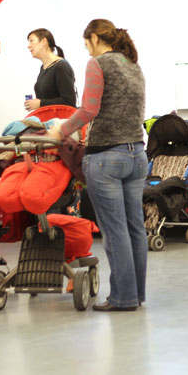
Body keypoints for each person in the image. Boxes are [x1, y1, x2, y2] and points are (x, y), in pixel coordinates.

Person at [48, 19, 147, 312]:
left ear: (94, 38)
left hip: (106, 158)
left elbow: (89, 109)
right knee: (135, 229)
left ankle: (123, 298)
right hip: (136, 155)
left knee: (115, 232)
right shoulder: (133, 65)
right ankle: (136, 295)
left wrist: (60, 131)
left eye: (86, 43)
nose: (86, 50)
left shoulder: (98, 64)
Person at [24, 28, 76, 112]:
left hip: (59, 122)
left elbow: (69, 101)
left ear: (43, 41)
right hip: (46, 119)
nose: (28, 46)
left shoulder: (61, 66)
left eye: (31, 40)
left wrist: (40, 103)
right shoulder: (43, 67)